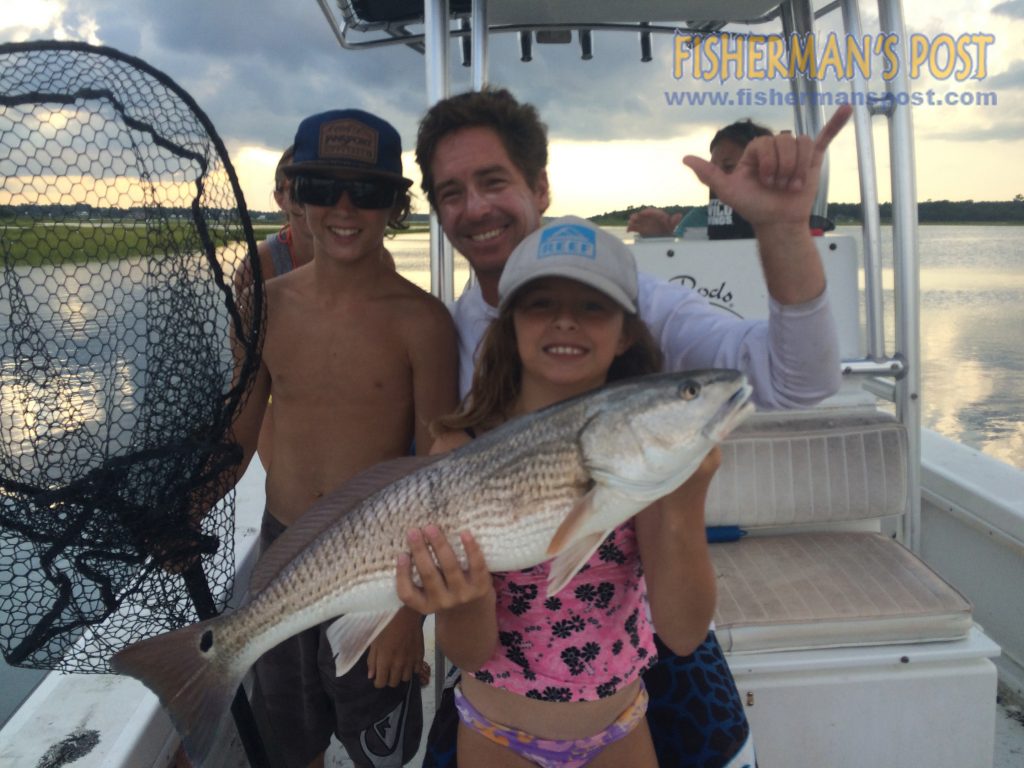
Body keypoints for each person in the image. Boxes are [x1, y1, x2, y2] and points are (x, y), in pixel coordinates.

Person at [414, 87, 849, 767]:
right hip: (501, 642)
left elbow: (798, 380)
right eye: (450, 192)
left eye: (493, 180)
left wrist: (783, 229)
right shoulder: (445, 328)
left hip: (627, 626)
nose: (474, 208)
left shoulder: (638, 297)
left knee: (724, 747)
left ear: (540, 185)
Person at [397, 217, 722, 768]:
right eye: (541, 303)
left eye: (594, 306)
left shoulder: (639, 455)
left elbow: (684, 632)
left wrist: (687, 501)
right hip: (496, 736)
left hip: (619, 730)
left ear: (625, 332)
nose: (566, 321)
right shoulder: (456, 448)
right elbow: (470, 652)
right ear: (511, 324)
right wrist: (468, 597)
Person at [227, 108, 459, 768]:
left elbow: (436, 478)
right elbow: (238, 438)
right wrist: (185, 507)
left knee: (379, 745)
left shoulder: (423, 322)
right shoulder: (265, 304)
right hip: (284, 551)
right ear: (295, 197)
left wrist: (409, 616)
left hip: (376, 571)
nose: (345, 208)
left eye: (370, 191)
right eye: (322, 188)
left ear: (397, 205)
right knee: (286, 735)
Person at [627, 118, 773, 239]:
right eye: (712, 169)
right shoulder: (699, 218)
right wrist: (661, 238)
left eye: (728, 167)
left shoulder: (786, 218)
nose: (716, 177)